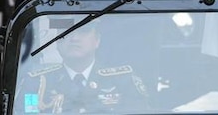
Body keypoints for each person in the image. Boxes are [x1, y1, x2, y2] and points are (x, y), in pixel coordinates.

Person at [20, 22, 149, 113]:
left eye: (83, 31)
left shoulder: (124, 81)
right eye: (66, 32)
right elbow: (27, 113)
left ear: (97, 40)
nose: (74, 38)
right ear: (57, 42)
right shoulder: (35, 84)